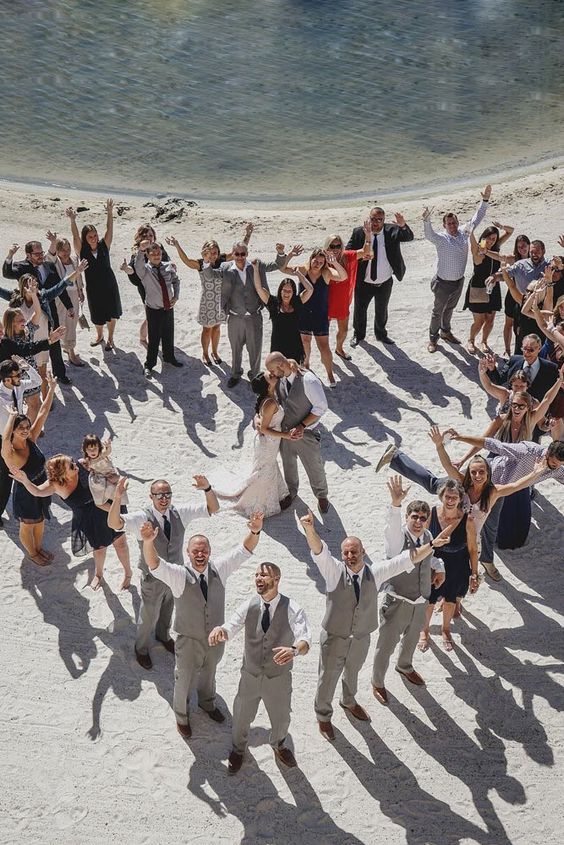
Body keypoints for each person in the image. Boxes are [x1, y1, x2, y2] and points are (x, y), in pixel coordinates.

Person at [299, 509, 451, 737]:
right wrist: (310, 529)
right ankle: (323, 715)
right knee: (327, 678)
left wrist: (431, 546)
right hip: (335, 638)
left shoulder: (376, 572)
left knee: (353, 672)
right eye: (347, 553)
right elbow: (319, 551)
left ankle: (348, 702)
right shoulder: (333, 573)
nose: (351, 556)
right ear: (342, 556)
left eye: (355, 552)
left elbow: (405, 559)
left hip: (361, 638)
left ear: (363, 552)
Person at [141, 511, 264, 739]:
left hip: (215, 638)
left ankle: (207, 703)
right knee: (184, 679)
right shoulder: (179, 574)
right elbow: (155, 564)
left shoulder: (220, 568)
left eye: (204, 550)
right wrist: (149, 542)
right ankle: (181, 715)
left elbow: (244, 550)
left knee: (209, 673)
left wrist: (254, 530)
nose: (200, 554)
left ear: (210, 552)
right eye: (195, 551)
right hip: (188, 640)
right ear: (188, 553)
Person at [375, 427, 549, 582]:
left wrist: (536, 473)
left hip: (470, 537)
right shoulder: (463, 484)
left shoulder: (493, 492)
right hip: (449, 530)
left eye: (482, 472)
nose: (478, 475)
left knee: (463, 571)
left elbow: (517, 485)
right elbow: (448, 466)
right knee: (436, 564)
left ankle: (481, 568)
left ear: (488, 473)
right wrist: (438, 445)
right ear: (469, 473)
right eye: (473, 472)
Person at [208, 560, 311, 774]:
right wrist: (221, 630)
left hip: (278, 679)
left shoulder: (292, 608)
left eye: (264, 575)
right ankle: (238, 750)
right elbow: (232, 626)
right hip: (250, 676)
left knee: (282, 718)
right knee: (241, 717)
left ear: (276, 579)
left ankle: (279, 744)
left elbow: (305, 640)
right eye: (256, 575)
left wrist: (294, 650)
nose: (258, 578)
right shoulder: (250, 605)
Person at [108, 475, 219, 669]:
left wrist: (208, 488)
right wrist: (117, 498)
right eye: (159, 495)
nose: (164, 498)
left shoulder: (179, 513)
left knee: (168, 608)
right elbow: (114, 523)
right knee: (148, 615)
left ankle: (163, 635)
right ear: (151, 497)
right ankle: (141, 648)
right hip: (152, 578)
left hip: (175, 574)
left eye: (167, 494)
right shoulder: (142, 518)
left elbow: (213, 508)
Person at [371, 476, 447, 702]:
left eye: (423, 518)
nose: (418, 521)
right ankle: (377, 682)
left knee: (412, 638)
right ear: (407, 517)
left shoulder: (428, 536)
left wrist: (439, 568)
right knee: (386, 646)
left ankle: (404, 666)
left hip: (420, 600)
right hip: (397, 602)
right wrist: (396, 504)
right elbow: (392, 527)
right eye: (414, 516)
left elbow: (431, 556)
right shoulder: (397, 538)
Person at [9, 454, 131, 590]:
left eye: (73, 461)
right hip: (88, 518)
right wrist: (25, 480)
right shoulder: (55, 485)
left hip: (108, 508)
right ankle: (98, 574)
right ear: (62, 474)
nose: (75, 464)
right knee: (99, 548)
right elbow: (37, 492)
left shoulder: (82, 465)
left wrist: (106, 452)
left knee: (120, 544)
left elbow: (100, 457)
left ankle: (128, 573)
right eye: (71, 466)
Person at [447, 434, 564, 557]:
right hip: (490, 480)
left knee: (514, 535)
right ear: (548, 454)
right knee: (488, 525)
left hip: (514, 488)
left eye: (560, 464)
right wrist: (460, 437)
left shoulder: (557, 468)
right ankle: (486, 560)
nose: (556, 467)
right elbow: (494, 445)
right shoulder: (527, 451)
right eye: (555, 463)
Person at [200, 242, 287, 387]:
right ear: (232, 254)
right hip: (235, 317)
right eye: (237, 254)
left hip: (254, 316)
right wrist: (206, 261)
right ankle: (235, 374)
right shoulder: (225, 268)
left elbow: (277, 265)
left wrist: (281, 253)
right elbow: (210, 276)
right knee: (236, 348)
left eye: (243, 254)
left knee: (255, 349)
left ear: (247, 254)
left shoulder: (256, 265)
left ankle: (254, 375)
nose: (240, 257)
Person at [166, 223, 253, 365]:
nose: (212, 255)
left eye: (215, 252)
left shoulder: (222, 260)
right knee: (207, 330)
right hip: (207, 301)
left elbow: (238, 251)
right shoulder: (201, 264)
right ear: (204, 252)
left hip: (222, 300)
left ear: (218, 253)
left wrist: (248, 234)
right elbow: (186, 261)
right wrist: (177, 245)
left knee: (217, 327)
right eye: (209, 252)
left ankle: (215, 351)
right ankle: (205, 354)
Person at [423, 183, 491, 352]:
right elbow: (428, 234)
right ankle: (433, 339)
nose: (452, 226)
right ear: (444, 225)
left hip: (458, 281)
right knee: (437, 312)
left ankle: (446, 332)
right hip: (442, 282)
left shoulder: (464, 232)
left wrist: (485, 200)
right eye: (449, 223)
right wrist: (426, 220)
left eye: (454, 222)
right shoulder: (441, 238)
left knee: (450, 309)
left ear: (457, 222)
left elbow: (477, 218)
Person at [214, 371, 290, 517]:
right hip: (268, 442)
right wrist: (285, 435)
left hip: (268, 442)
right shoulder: (270, 403)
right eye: (271, 376)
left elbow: (258, 417)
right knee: (265, 470)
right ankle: (263, 502)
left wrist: (257, 420)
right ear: (268, 385)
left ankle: (280, 494)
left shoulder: (267, 398)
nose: (274, 375)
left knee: (268, 466)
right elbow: (264, 429)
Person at [1, 374, 56, 563]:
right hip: (25, 492)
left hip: (41, 486)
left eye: (26, 426)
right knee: (27, 526)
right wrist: (12, 417)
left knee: (40, 521)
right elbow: (5, 443)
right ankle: (32, 553)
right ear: (14, 430)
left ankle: (39, 548)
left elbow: (42, 413)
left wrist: (52, 389)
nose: (25, 429)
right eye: (21, 427)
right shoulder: (12, 452)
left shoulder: (31, 438)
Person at [265, 351, 329, 513]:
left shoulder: (308, 380)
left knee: (314, 466)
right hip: (286, 432)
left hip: (306, 434)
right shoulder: (280, 380)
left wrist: (302, 425)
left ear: (280, 365)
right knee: (288, 465)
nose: (271, 374)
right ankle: (291, 492)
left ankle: (322, 495)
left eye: (272, 370)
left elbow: (321, 407)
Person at [419, 479, 478, 652]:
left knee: (451, 600)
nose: (450, 500)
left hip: (458, 564)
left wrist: (474, 573)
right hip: (435, 562)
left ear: (460, 498)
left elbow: (473, 549)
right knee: (430, 599)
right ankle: (425, 630)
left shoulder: (467, 520)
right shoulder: (431, 514)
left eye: (454, 497)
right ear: (441, 497)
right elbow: (423, 540)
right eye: (447, 496)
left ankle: (446, 630)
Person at [3, 240, 72, 384]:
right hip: (29, 315)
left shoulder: (49, 265)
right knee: (32, 350)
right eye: (37, 254)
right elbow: (7, 273)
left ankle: (60, 374)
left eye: (41, 252)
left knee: (54, 343)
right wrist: (10, 255)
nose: (41, 256)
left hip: (48, 310)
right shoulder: (22, 267)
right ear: (28, 255)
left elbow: (58, 287)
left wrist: (69, 306)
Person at [346, 207, 415, 347]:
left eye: (379, 220)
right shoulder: (359, 232)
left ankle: (381, 334)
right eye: (373, 219)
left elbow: (409, 237)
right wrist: (359, 256)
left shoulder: (392, 230)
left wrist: (402, 225)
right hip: (364, 282)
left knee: (382, 310)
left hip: (385, 282)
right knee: (360, 310)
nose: (376, 222)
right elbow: (348, 252)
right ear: (369, 218)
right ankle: (358, 335)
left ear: (384, 220)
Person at [281, 247, 347, 387]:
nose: (317, 264)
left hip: (320, 314)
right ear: (311, 259)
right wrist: (290, 255)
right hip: (303, 312)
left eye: (321, 262)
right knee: (305, 341)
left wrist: (334, 262)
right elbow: (283, 268)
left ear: (324, 263)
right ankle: (306, 364)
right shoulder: (303, 269)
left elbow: (343, 276)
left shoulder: (326, 273)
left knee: (324, 346)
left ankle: (329, 374)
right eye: (315, 261)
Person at [67, 199, 122, 350]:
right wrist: (72, 220)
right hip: (93, 287)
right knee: (97, 313)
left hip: (109, 284)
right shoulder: (82, 250)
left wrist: (109, 212)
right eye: (90, 236)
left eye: (95, 235)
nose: (94, 238)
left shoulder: (104, 245)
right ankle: (100, 335)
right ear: (85, 238)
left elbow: (109, 229)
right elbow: (75, 237)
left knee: (112, 312)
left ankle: (110, 338)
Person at [0, 358, 43, 526]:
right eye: (17, 375)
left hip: (19, 436)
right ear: (7, 379)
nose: (20, 376)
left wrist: (28, 367)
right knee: (6, 477)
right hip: (4, 439)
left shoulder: (19, 387)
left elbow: (37, 381)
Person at [134, 239, 182, 377]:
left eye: (159, 253)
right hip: (153, 309)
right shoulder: (145, 271)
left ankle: (169, 358)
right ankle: (149, 364)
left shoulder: (168, 266)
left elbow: (176, 281)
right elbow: (138, 266)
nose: (156, 255)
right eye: (153, 253)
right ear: (148, 255)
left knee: (168, 334)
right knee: (154, 338)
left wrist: (176, 296)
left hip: (168, 307)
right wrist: (140, 250)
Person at [463, 223, 513, 354]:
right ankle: (471, 340)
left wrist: (501, 226)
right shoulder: (478, 250)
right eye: (489, 238)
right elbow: (473, 244)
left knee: (490, 319)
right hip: (478, 288)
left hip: (493, 287)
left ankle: (484, 341)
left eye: (494, 239)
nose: (491, 241)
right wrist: (471, 232)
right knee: (479, 321)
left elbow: (510, 231)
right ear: (483, 237)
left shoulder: (494, 248)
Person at [480, 233, 530, 358]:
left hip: (528, 298)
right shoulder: (514, 259)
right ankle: (507, 350)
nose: (522, 249)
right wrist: (486, 252)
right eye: (519, 247)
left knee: (524, 326)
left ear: (529, 246)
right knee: (509, 324)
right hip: (513, 296)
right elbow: (500, 257)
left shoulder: (534, 258)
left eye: (524, 246)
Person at [324, 225, 371, 357]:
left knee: (343, 331)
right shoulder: (322, 260)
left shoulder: (347, 256)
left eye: (338, 246)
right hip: (326, 301)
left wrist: (368, 236)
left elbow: (365, 251)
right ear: (327, 247)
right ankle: (326, 350)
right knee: (324, 331)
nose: (335, 249)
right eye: (332, 246)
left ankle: (339, 349)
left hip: (343, 300)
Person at [120, 224, 171, 346]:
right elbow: (133, 271)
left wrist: (171, 266)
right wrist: (126, 269)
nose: (148, 238)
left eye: (151, 235)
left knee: (161, 312)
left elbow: (166, 261)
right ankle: (143, 339)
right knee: (150, 316)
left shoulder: (159, 247)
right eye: (145, 235)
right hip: (146, 287)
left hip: (160, 285)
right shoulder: (138, 251)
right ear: (140, 237)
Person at [252, 263, 313, 363]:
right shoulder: (273, 303)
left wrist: (298, 274)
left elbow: (310, 289)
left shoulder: (297, 302)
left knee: (293, 374)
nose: (286, 293)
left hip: (295, 346)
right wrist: (255, 269)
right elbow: (259, 288)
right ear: (280, 291)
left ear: (293, 292)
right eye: (284, 290)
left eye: (290, 291)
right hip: (278, 346)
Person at [45, 232, 86, 366]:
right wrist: (53, 241)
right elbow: (49, 256)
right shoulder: (55, 262)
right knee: (63, 323)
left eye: (68, 249)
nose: (66, 252)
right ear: (57, 250)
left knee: (72, 323)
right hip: (61, 297)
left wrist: (80, 290)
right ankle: (71, 352)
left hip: (74, 295)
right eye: (62, 250)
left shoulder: (74, 259)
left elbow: (78, 277)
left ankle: (69, 349)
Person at [2, 307, 44, 422]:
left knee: (35, 405)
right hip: (17, 378)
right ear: (11, 323)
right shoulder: (6, 341)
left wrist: (34, 294)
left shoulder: (27, 331)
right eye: (19, 320)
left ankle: (29, 428)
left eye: (23, 318)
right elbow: (25, 349)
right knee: (21, 407)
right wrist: (49, 341)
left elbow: (38, 312)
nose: (23, 321)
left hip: (32, 374)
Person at [80, 434, 127, 507]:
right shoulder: (88, 461)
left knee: (116, 484)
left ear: (99, 448)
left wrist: (108, 446)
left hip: (110, 473)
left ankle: (119, 495)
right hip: (100, 475)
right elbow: (88, 468)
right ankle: (104, 501)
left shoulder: (101, 455)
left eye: (95, 448)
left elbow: (108, 451)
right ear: (85, 450)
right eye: (89, 449)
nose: (92, 451)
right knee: (98, 488)